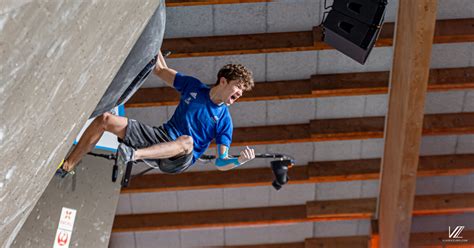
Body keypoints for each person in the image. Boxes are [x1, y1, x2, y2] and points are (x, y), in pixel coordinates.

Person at [61, 51, 256, 174]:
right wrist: (153, 39)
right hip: (161, 138)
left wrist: (239, 160)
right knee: (105, 119)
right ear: (223, 81)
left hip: (179, 160)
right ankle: (67, 165)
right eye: (237, 87)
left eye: (242, 91)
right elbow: (161, 69)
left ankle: (132, 155)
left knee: (187, 141)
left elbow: (221, 163)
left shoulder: (224, 121)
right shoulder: (193, 86)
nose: (239, 94)